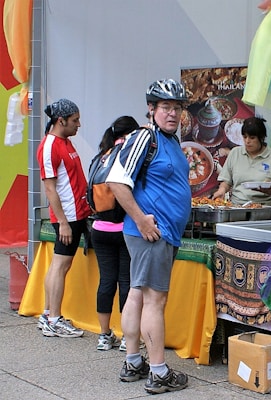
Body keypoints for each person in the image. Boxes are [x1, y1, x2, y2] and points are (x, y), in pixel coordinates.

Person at [105, 79, 190, 394]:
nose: (172, 114)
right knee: (156, 300)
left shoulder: (170, 141)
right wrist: (141, 220)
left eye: (177, 108)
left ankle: (133, 362)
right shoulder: (145, 137)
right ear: (152, 109)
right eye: (166, 107)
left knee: (138, 296)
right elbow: (116, 181)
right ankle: (158, 372)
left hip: (158, 233)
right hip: (153, 233)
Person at [36, 98, 91, 338]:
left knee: (60, 265)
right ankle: (54, 318)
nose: (79, 125)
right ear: (61, 121)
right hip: (67, 215)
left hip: (75, 213)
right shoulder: (50, 146)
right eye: (75, 120)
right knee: (60, 265)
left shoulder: (65, 142)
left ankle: (49, 314)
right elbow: (50, 188)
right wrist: (63, 223)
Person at [90, 116, 139, 351]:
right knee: (126, 282)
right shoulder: (128, 156)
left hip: (99, 229)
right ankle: (126, 337)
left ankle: (104, 334)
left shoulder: (100, 157)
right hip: (125, 229)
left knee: (106, 281)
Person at [212, 116, 271, 205]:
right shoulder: (235, 153)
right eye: (245, 137)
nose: (247, 141)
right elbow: (226, 181)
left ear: (261, 138)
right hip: (238, 206)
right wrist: (221, 190)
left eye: (252, 138)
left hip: (265, 207)